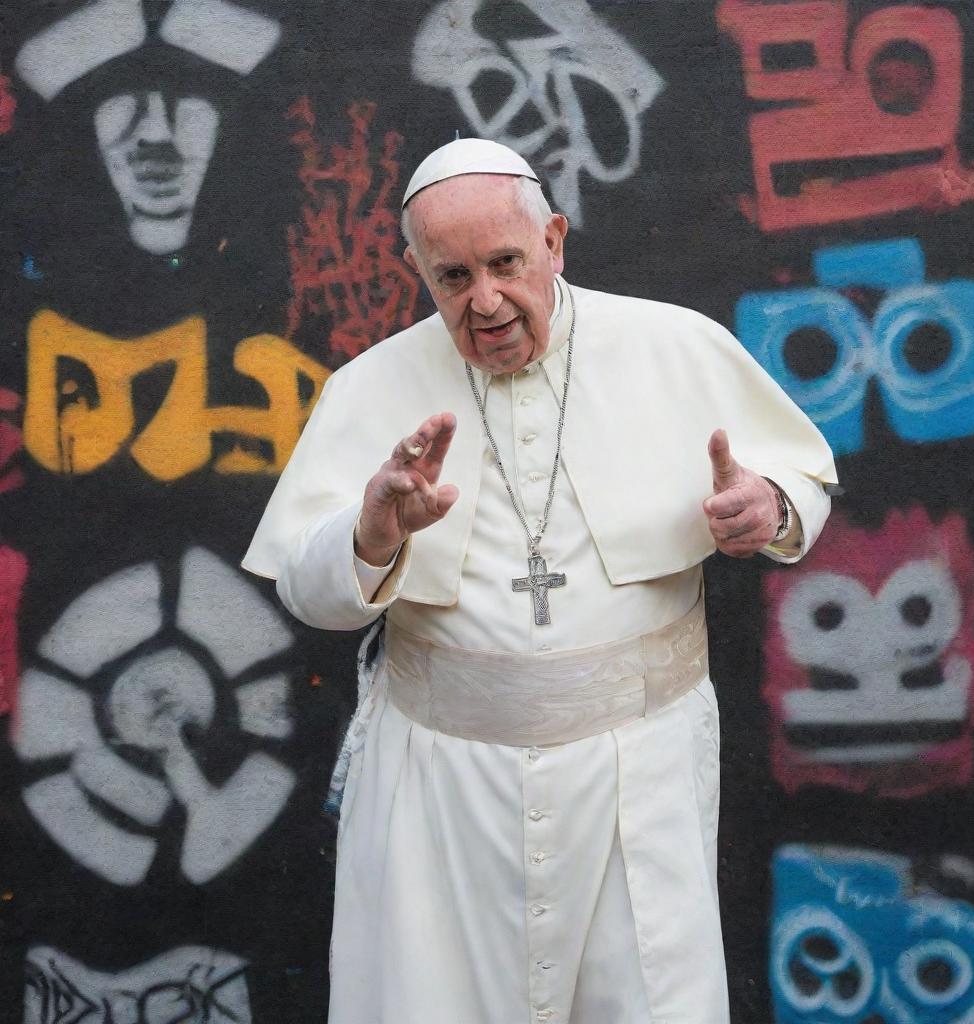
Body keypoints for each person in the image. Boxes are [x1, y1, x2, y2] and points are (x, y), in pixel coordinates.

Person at [243, 138, 837, 1024]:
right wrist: (371, 536)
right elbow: (307, 590)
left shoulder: (673, 346)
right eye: (451, 277)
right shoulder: (374, 386)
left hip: (641, 775)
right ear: (420, 275)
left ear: (554, 239)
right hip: (440, 789)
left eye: (505, 263)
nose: (484, 302)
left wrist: (772, 507)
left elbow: (800, 479)